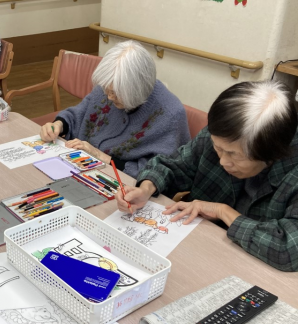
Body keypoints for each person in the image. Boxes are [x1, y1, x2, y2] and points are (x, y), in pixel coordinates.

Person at [116, 81, 298, 272]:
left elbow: (288, 249)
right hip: (198, 249)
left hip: (255, 269)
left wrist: (222, 212)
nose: (223, 161)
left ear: (271, 154)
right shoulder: (222, 136)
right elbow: (172, 165)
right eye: (218, 148)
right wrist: (146, 188)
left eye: (234, 155)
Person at [40, 41, 190, 178]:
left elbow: (160, 173)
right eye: (106, 89)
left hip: (122, 183)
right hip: (79, 166)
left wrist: (100, 156)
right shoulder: (110, 85)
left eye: (115, 93)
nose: (109, 97)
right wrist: (58, 125)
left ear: (136, 90)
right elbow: (78, 114)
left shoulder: (170, 115)